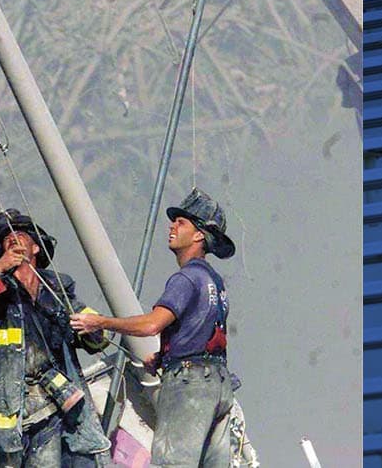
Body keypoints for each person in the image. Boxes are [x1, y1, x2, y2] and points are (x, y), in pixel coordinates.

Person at [70, 188, 259, 467]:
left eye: (181, 222)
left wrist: (100, 321)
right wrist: (164, 357)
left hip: (189, 386)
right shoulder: (214, 282)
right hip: (218, 384)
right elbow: (203, 333)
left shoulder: (187, 278)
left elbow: (152, 325)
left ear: (198, 235)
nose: (172, 226)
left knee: (173, 463)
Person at [0, 209, 113, 467]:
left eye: (19, 235)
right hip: (9, 414)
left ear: (36, 247)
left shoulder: (58, 290)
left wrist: (94, 328)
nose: (12, 240)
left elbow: (97, 339)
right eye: (6, 239)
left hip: (59, 408)